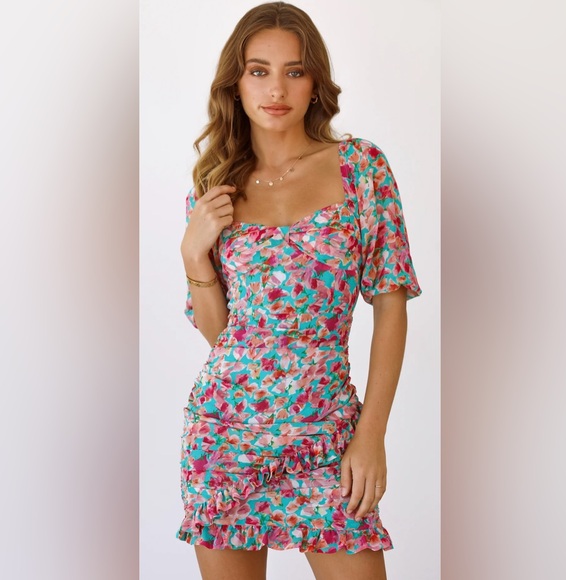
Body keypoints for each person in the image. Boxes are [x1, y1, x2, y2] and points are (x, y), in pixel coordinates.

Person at [177, 3, 422, 579]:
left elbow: (390, 307)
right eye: (258, 71)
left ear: (315, 83)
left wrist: (371, 436)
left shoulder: (361, 168)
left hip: (328, 436)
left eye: (294, 71)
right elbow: (224, 336)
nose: (276, 89)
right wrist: (193, 255)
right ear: (236, 84)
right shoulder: (214, 189)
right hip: (225, 437)